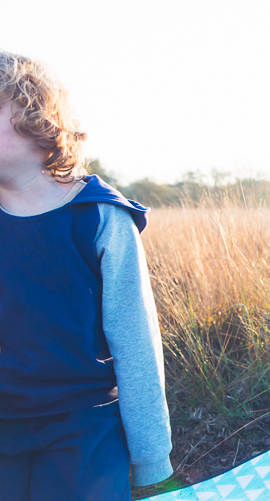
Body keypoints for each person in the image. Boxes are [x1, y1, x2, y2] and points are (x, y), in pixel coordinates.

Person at [0, 51, 173, 500]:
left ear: (35, 117)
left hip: (83, 424)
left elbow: (135, 344)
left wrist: (150, 460)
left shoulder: (98, 217)